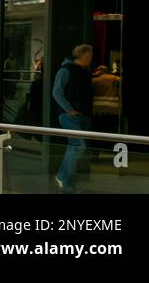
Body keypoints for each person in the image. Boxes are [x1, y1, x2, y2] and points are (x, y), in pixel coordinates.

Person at [52, 43, 94, 194]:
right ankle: (63, 177)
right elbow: (57, 92)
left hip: (81, 114)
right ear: (84, 55)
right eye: (89, 55)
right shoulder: (66, 70)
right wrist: (69, 109)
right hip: (69, 116)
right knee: (78, 145)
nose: (91, 58)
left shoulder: (83, 72)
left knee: (75, 146)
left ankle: (65, 181)